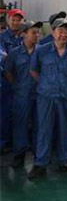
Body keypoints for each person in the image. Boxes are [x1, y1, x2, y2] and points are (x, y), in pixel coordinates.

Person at [28, 18, 67, 179]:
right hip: (47, 98)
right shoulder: (42, 51)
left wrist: (65, 86)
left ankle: (64, 161)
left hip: (66, 97)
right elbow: (33, 71)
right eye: (60, 31)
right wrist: (45, 85)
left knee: (65, 130)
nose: (63, 34)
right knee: (44, 130)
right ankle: (40, 164)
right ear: (53, 32)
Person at [4, 20, 42, 167]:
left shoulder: (43, 51)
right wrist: (17, 86)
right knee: (20, 124)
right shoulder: (15, 53)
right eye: (33, 33)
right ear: (24, 34)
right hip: (22, 94)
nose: (37, 35)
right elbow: (8, 72)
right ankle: (19, 153)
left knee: (40, 124)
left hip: (39, 94)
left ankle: (39, 154)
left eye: (38, 33)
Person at [0, 8, 25, 153]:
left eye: (19, 20)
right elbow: (3, 58)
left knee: (21, 114)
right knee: (4, 112)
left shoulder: (25, 37)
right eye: (13, 20)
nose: (16, 22)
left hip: (24, 81)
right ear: (8, 21)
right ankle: (3, 142)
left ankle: (19, 143)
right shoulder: (2, 38)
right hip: (6, 81)